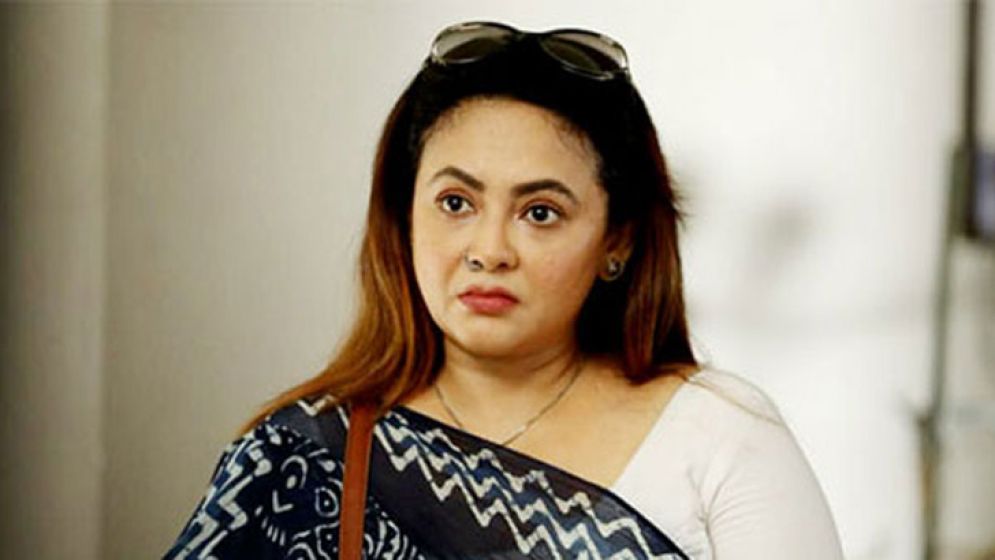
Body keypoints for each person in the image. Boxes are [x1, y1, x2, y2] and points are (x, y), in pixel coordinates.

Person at [164, 21, 844, 559]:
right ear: (403, 219)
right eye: (455, 203)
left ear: (617, 241)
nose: (488, 250)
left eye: (539, 212)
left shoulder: (718, 437)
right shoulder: (304, 457)